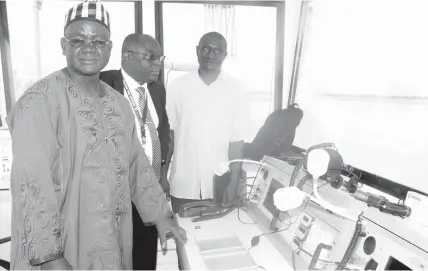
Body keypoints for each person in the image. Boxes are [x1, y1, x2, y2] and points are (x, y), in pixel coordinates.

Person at [7, 1, 186, 270]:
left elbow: (136, 164)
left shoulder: (118, 103)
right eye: (78, 40)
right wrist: (50, 257)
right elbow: (31, 185)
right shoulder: (38, 102)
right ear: (63, 45)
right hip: (63, 247)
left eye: (98, 42)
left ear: (110, 49)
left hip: (112, 238)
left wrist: (160, 214)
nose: (89, 47)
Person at [100, 33, 170, 271]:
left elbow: (163, 133)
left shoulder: (158, 91)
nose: (157, 64)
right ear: (126, 56)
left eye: (159, 58)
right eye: (151, 57)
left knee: (146, 258)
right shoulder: (104, 84)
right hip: (117, 195)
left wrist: (162, 176)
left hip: (150, 191)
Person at [166, 32, 251, 213]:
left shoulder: (236, 90)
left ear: (224, 55)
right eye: (206, 48)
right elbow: (169, 136)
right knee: (182, 238)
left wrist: (234, 182)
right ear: (197, 50)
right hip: (183, 185)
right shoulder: (178, 86)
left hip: (219, 186)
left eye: (217, 50)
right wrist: (161, 176)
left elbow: (237, 143)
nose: (211, 55)